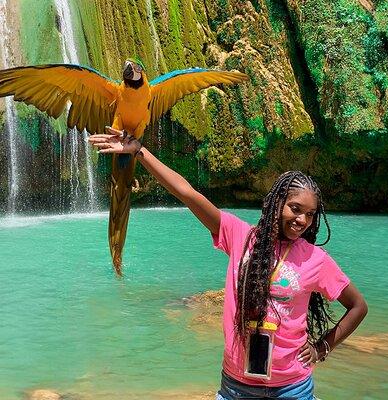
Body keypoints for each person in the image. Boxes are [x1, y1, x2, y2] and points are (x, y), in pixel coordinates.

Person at [89, 128, 368, 400]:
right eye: (295, 208)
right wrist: (140, 152)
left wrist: (322, 347)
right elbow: (187, 193)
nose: (302, 220)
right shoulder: (240, 236)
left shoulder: (315, 259)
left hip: (292, 387)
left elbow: (358, 307)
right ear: (276, 202)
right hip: (237, 387)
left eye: (310, 214)